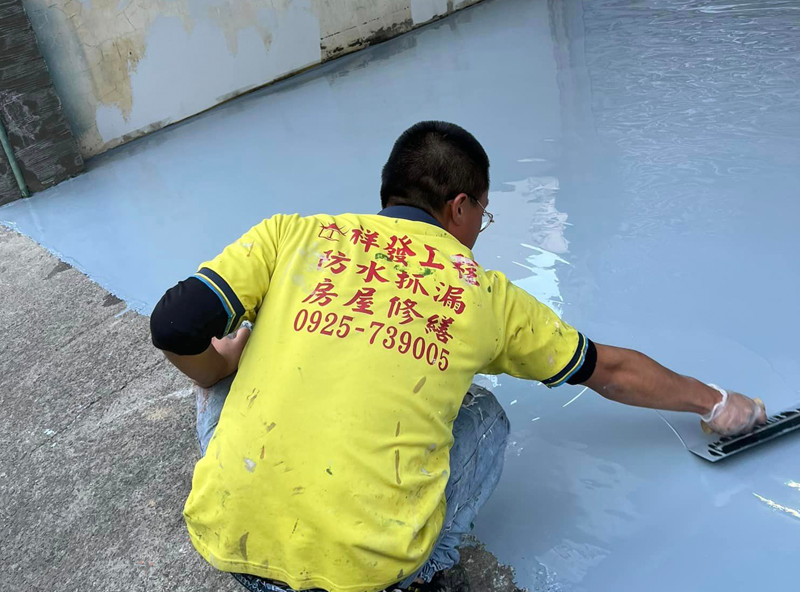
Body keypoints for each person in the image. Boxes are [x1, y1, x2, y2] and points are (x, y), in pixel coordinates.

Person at [150, 121, 766, 592]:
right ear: (460, 205)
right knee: (485, 417)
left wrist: (222, 368)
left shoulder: (293, 234)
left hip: (231, 546)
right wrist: (714, 401)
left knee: (230, 362)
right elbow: (610, 370)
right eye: (483, 214)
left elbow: (174, 323)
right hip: (366, 578)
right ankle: (425, 574)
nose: (478, 229)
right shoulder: (482, 295)